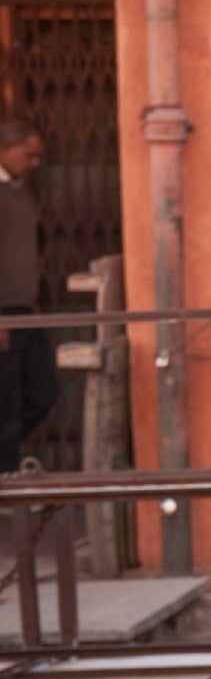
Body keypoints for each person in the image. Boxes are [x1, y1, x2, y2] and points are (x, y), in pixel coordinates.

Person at [0, 122, 56, 475]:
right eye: (29, 155)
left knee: (43, 390)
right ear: (5, 149)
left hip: (23, 311)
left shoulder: (19, 193)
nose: (35, 163)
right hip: (3, 315)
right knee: (5, 402)